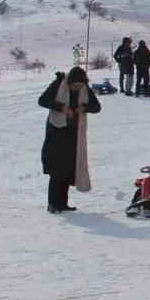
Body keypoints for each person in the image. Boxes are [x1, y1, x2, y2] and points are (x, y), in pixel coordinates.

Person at [39, 67, 100, 212]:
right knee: (57, 169)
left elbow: (96, 107)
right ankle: (53, 203)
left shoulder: (85, 89)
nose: (77, 88)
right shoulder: (58, 85)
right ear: (69, 82)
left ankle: (63, 203)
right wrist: (62, 108)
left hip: (74, 134)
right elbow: (43, 101)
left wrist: (83, 108)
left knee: (68, 169)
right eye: (74, 86)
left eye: (79, 86)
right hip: (57, 132)